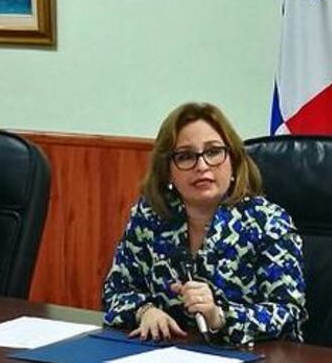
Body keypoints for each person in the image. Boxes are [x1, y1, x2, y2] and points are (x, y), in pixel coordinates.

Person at [102, 102, 307, 346]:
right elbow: (115, 290)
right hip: (165, 355)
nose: (202, 166)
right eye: (185, 156)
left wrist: (218, 316)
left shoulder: (267, 222)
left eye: (213, 152)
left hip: (253, 361)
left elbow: (288, 313)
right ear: (167, 171)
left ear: (233, 160)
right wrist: (145, 311)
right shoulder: (150, 216)